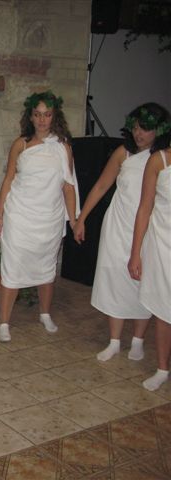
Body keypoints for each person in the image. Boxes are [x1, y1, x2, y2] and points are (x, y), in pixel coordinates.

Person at [74, 104, 170, 361]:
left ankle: (138, 341)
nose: (138, 134)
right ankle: (114, 341)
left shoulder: (162, 158)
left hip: (149, 230)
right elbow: (101, 186)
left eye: (145, 129)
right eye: (135, 127)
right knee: (114, 280)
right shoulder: (123, 153)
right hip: (118, 226)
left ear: (159, 130)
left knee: (143, 283)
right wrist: (81, 218)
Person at [0, 90, 77, 342]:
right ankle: (4, 322)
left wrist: (74, 220)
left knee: (46, 268)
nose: (42, 120)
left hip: (49, 218)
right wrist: (0, 215)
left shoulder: (63, 147)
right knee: (12, 268)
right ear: (30, 116)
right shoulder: (21, 144)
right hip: (20, 215)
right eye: (37, 114)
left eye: (47, 114)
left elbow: (68, 186)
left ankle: (45, 313)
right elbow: (8, 179)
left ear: (54, 116)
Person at [128, 142, 171, 391]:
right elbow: (145, 208)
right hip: (163, 244)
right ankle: (162, 368)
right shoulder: (159, 160)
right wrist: (136, 253)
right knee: (164, 308)